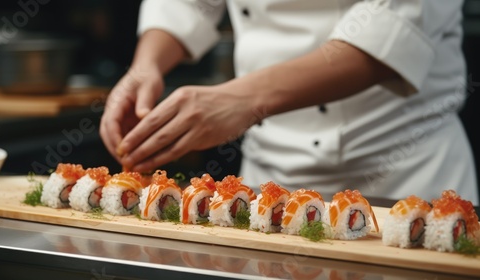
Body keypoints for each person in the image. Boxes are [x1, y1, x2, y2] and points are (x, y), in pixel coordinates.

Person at [100, 0, 479, 205]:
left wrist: (243, 99)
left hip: (402, 173)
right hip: (268, 178)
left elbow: (392, 29)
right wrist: (145, 66)